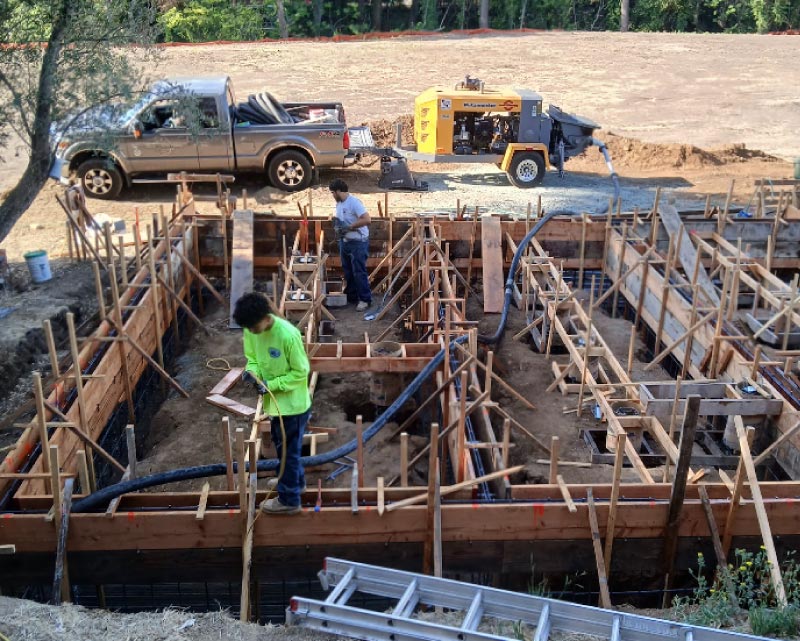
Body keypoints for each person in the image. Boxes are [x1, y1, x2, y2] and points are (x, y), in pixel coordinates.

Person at [233, 292, 311, 515]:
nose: (252, 332)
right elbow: (253, 358)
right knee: (283, 447)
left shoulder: (288, 335)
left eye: (254, 327)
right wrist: (252, 373)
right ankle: (295, 483)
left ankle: (289, 500)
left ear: (266, 317)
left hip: (293, 407)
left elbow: (301, 371)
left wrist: (272, 384)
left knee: (288, 453)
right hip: (275, 405)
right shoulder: (251, 330)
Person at [330, 179, 372, 311]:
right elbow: (341, 219)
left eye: (332, 193)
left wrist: (350, 227)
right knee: (348, 270)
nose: (332, 195)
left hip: (358, 242)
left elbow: (367, 219)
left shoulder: (354, 202)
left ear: (338, 191)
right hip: (345, 242)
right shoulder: (339, 204)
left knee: (359, 272)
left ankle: (365, 300)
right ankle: (352, 296)